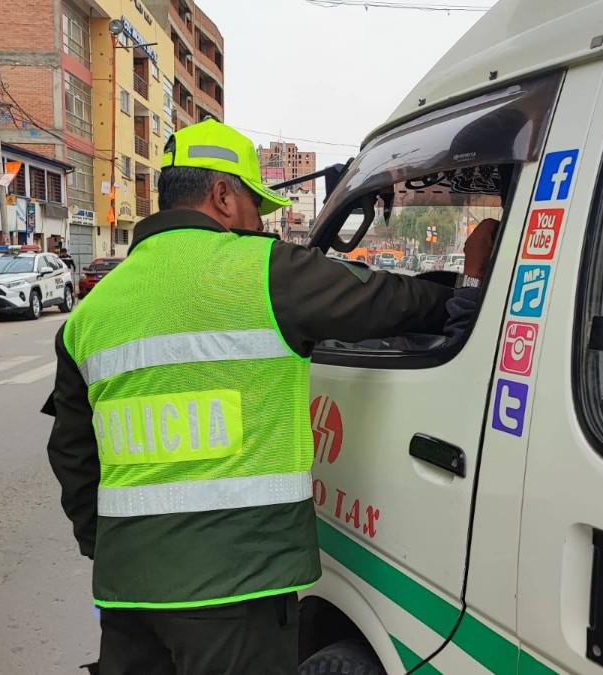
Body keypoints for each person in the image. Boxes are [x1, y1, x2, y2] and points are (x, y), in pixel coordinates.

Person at [42, 119, 480, 674]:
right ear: (223, 195)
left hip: (127, 590)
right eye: (256, 205)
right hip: (235, 586)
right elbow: (385, 300)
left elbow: (72, 456)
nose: (259, 220)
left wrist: (111, 549)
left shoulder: (93, 311)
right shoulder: (261, 272)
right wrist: (461, 297)